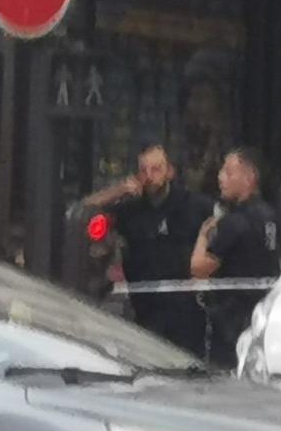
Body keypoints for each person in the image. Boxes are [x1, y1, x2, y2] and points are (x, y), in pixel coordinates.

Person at [83, 143, 210, 358]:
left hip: (185, 311)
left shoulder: (193, 205)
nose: (149, 176)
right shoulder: (130, 208)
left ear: (170, 171)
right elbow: (85, 209)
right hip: (145, 310)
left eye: (156, 169)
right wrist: (120, 190)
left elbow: (222, 224)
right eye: (144, 170)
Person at [192, 146, 280, 366]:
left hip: (231, 323)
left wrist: (203, 236)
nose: (221, 178)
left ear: (249, 178)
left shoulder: (234, 222)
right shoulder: (272, 217)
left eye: (229, 173)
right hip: (263, 321)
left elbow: (199, 268)